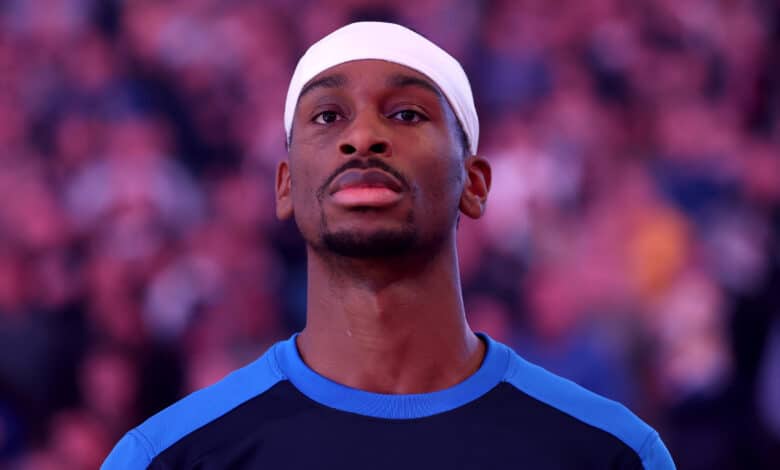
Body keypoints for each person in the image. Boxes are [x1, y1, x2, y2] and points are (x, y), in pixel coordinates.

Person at [102, 22, 675, 469]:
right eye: (328, 116)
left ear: (473, 185)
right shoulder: (167, 457)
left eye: (406, 113)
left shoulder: (610, 454)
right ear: (285, 186)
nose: (362, 137)